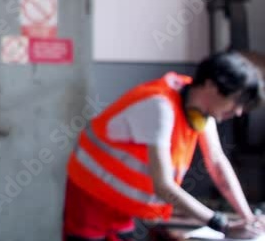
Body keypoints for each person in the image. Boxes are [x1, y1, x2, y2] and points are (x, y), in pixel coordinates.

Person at [64, 51, 265, 241]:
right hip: (91, 194)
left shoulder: (198, 107)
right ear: (211, 86)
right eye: (236, 101)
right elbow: (163, 186)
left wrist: (248, 219)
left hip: (121, 201)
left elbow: (217, 163)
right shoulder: (160, 106)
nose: (238, 111)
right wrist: (222, 225)